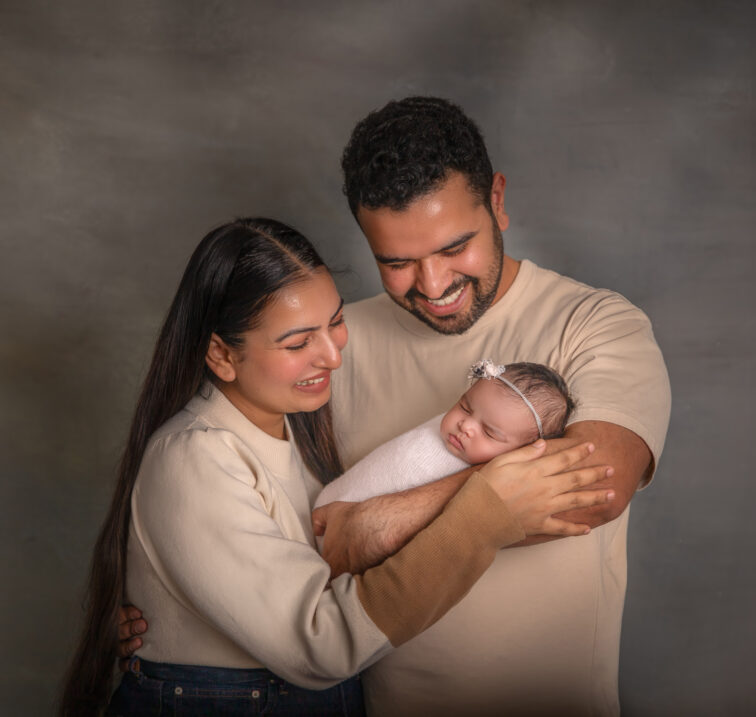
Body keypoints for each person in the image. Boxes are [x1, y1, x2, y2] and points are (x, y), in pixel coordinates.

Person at [60, 217, 617, 716]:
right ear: (222, 355)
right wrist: (483, 514)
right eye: (300, 341)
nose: (331, 355)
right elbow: (319, 644)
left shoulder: (300, 431)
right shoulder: (194, 456)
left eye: (334, 323)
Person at [311, 96, 672, 716]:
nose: (433, 285)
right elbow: (256, 505)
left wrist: (372, 524)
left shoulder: (594, 322)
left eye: (455, 247)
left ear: (497, 199)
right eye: (396, 262)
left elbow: (596, 485)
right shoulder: (332, 341)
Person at [314, 359, 575, 510]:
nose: (466, 426)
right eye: (464, 406)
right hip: (334, 500)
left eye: (489, 432)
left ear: (521, 453)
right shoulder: (441, 428)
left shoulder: (483, 480)